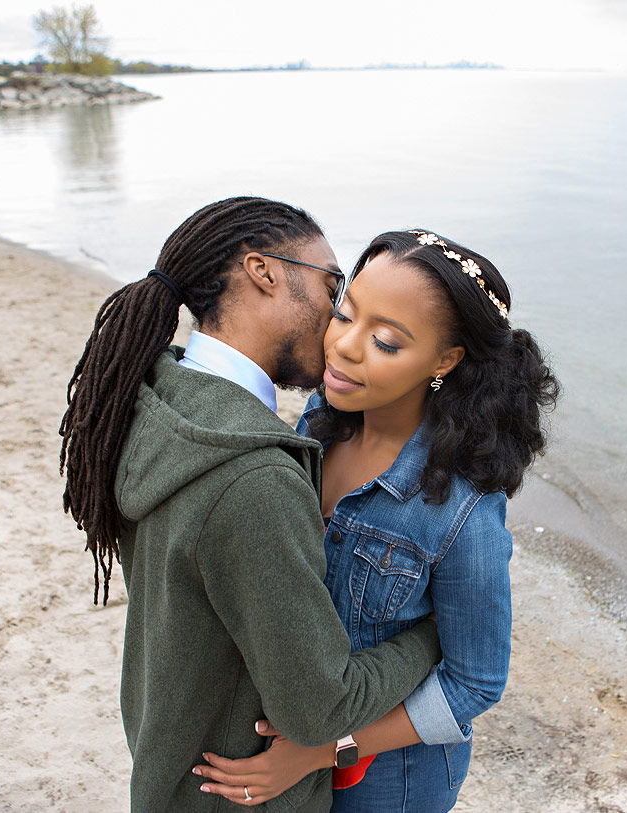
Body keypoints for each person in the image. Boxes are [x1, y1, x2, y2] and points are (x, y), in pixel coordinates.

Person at [58, 198, 445, 812]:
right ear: (264, 272)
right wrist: (431, 635)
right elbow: (321, 708)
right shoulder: (253, 478)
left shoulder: (154, 397)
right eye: (331, 287)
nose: (339, 318)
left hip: (170, 759)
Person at [193, 229, 560, 811]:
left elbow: (476, 681)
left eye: (387, 342)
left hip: (391, 777)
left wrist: (322, 750)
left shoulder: (459, 508)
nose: (344, 346)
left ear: (445, 360)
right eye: (344, 313)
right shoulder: (318, 422)